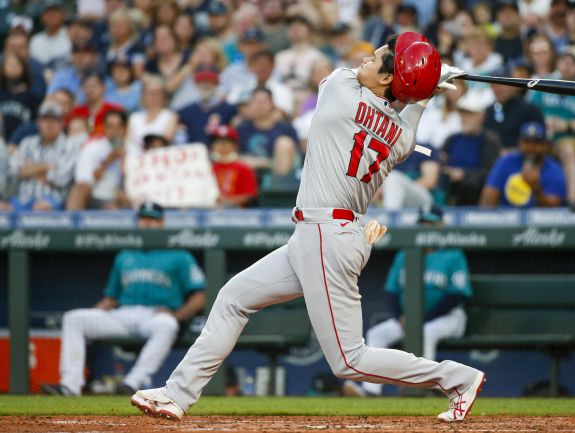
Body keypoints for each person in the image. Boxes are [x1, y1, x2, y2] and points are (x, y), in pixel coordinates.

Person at [132, 32, 485, 423]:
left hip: (327, 235)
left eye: (377, 58)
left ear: (388, 79)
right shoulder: (402, 137)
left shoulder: (339, 89)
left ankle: (457, 378)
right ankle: (176, 394)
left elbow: (395, 93)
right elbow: (408, 107)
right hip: (321, 235)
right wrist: (426, 83)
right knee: (233, 297)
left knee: (350, 361)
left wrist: (424, 79)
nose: (366, 59)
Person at [40, 202, 207, 396]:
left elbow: (200, 296)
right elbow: (112, 297)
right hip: (123, 314)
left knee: (167, 325)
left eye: (153, 220)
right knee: (74, 318)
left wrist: (178, 315)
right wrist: (103, 306)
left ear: (162, 223)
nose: (148, 224)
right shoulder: (125, 255)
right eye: (144, 219)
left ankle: (131, 383)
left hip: (156, 316)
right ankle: (69, 385)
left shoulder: (180, 255)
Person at [343, 207, 472, 397]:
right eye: (422, 225)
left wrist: (422, 318)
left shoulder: (452, 254)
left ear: (441, 227)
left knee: (426, 332)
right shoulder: (404, 254)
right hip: (410, 318)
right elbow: (391, 292)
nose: (426, 229)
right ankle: (371, 391)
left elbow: (456, 295)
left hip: (447, 318)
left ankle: (422, 387)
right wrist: (403, 317)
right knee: (376, 334)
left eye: (430, 225)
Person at [530, 45, 575, 204]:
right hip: (540, 136)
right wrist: (543, 123)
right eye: (564, 60)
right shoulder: (544, 82)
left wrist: (568, 125)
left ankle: (572, 198)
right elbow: (528, 111)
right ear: (557, 63)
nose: (567, 65)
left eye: (573, 62)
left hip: (569, 137)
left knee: (568, 150)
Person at [0, 101, 79, 211]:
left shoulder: (69, 145)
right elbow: (14, 171)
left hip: (53, 199)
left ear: (62, 123)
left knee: (41, 208)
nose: (50, 123)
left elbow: (60, 178)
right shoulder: (27, 143)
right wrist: (45, 166)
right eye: (45, 119)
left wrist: (28, 170)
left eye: (54, 119)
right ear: (38, 122)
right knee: (2, 208)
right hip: (22, 198)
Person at [435, 92, 502, 205]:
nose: (465, 119)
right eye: (462, 114)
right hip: (452, 194)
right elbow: (441, 164)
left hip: (478, 198)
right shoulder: (452, 139)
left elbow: (492, 174)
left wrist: (464, 175)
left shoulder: (490, 140)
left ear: (481, 117)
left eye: (470, 115)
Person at [480, 121, 567, 208]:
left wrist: (536, 188)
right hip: (507, 218)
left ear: (545, 146)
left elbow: (554, 210)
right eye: (526, 142)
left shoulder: (554, 170)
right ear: (519, 143)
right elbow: (488, 199)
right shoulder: (506, 162)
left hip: (539, 220)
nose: (530, 147)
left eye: (536, 143)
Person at [66, 110, 128, 210]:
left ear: (125, 129)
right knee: (78, 191)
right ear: (105, 128)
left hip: (123, 197)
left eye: (119, 127)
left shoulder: (133, 150)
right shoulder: (93, 147)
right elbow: (84, 182)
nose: (115, 131)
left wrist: (124, 159)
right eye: (110, 127)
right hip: (96, 196)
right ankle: (73, 223)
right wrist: (107, 161)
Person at [236, 87, 299, 175]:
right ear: (250, 104)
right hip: (248, 174)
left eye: (263, 102)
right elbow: (233, 156)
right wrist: (266, 163)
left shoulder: (286, 129)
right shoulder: (241, 129)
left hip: (278, 174)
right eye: (256, 101)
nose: (260, 105)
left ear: (272, 104)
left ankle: (279, 187)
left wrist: (262, 163)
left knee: (284, 143)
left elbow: (295, 158)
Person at [484, 66, 544, 152]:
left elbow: (539, 141)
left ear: (512, 85)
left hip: (521, 158)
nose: (497, 89)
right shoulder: (489, 111)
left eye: (501, 84)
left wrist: (511, 153)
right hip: (493, 159)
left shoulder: (529, 109)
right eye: (493, 85)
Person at [177, 66, 237, 146]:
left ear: (217, 85)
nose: (206, 85)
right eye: (201, 82)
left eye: (210, 82)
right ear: (196, 85)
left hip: (219, 153)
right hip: (195, 154)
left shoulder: (230, 110)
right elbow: (181, 137)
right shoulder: (186, 111)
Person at [124, 74, 178, 157]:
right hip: (136, 162)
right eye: (150, 93)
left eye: (157, 93)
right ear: (143, 95)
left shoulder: (170, 116)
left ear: (164, 96)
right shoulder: (134, 118)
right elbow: (129, 145)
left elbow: (165, 143)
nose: (153, 97)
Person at [209, 124, 258, 208]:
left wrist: (226, 200)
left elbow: (249, 196)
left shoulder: (243, 168)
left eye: (226, 143)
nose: (222, 146)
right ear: (213, 146)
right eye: (218, 143)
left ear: (234, 146)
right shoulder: (207, 168)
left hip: (235, 211)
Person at [68, 71, 124, 136]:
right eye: (86, 86)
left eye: (94, 86)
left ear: (103, 88)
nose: (90, 89)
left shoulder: (115, 110)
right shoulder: (76, 112)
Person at [28, 0, 71, 69]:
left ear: (63, 15)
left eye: (55, 12)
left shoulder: (71, 36)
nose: (51, 15)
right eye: (48, 12)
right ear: (42, 17)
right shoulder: (36, 39)